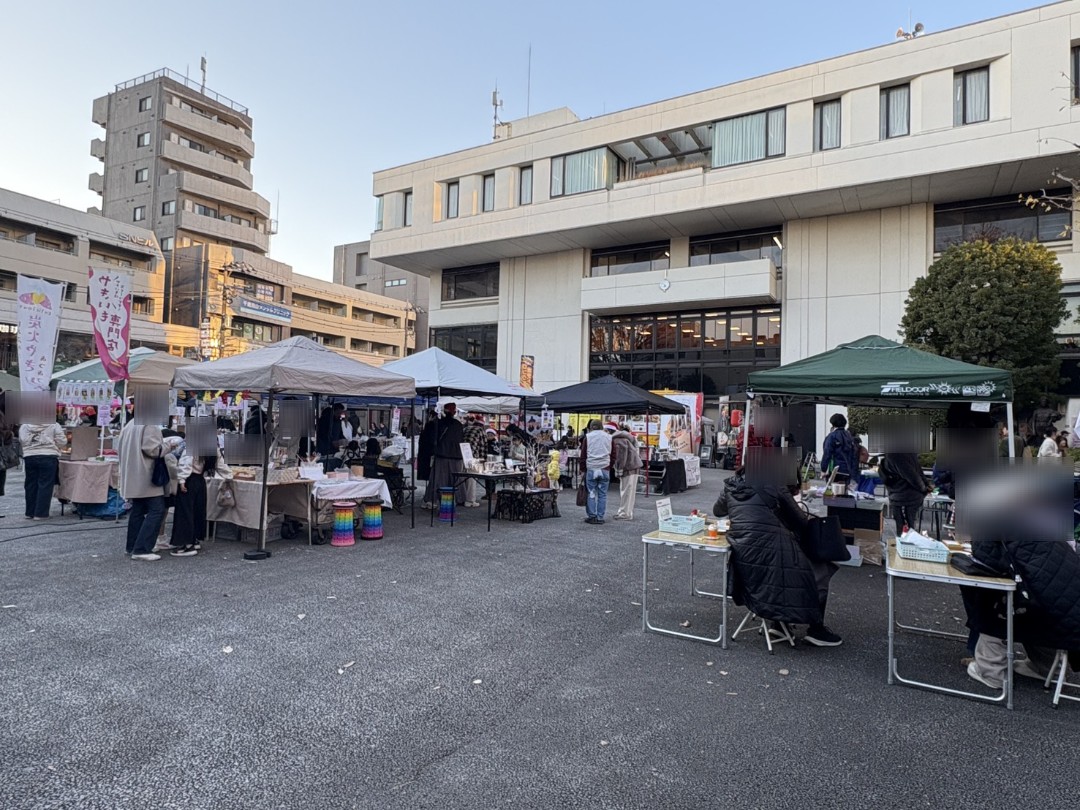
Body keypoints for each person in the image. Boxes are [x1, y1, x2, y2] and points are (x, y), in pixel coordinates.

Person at [713, 465, 842, 647]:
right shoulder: (776, 484)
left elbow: (718, 511)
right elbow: (801, 521)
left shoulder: (731, 486)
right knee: (821, 568)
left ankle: (779, 624)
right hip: (774, 557)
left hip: (745, 560)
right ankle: (816, 628)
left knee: (784, 567)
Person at [117, 418, 168, 561]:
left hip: (132, 473)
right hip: (146, 474)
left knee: (137, 511)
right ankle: (142, 548)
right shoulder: (150, 424)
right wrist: (169, 445)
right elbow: (152, 450)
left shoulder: (131, 423)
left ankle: (132, 546)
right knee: (157, 510)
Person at [170, 441, 232, 557]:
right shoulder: (213, 447)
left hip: (189, 480)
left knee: (184, 512)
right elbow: (220, 465)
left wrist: (182, 480)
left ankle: (185, 545)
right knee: (197, 511)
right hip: (200, 481)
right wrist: (230, 475)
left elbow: (186, 463)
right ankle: (194, 539)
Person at [19, 418, 66, 520]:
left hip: (30, 456)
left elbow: (22, 441)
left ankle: (30, 512)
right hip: (48, 456)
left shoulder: (25, 425)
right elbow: (62, 441)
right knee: (45, 485)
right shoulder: (54, 424)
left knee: (31, 484)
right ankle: (41, 513)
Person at [879, 452, 933, 535]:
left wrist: (924, 488)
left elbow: (913, 476)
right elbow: (918, 472)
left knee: (904, 531)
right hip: (908, 495)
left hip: (903, 496)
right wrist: (925, 487)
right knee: (907, 529)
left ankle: (905, 544)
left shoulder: (895, 455)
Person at [423, 403, 465, 508]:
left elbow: (433, 439)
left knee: (437, 479)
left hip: (441, 454)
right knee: (455, 480)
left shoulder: (438, 423)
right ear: (454, 412)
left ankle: (432, 500)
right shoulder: (458, 425)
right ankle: (457, 499)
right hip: (456, 456)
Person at [580, 419, 613, 525]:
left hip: (591, 468)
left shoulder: (588, 437)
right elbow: (614, 454)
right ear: (601, 427)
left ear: (591, 427)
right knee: (603, 494)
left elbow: (583, 454)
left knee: (591, 492)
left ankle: (592, 516)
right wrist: (609, 466)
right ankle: (600, 517)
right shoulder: (609, 437)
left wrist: (582, 468)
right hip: (604, 468)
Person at [611, 423, 642, 520]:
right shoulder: (630, 438)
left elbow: (621, 457)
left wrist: (619, 470)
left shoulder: (618, 440)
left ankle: (624, 513)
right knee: (630, 492)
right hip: (635, 465)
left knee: (625, 491)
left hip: (627, 467)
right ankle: (628, 513)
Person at [820, 413, 859, 485]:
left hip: (835, 470)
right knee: (844, 491)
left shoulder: (832, 436)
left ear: (833, 424)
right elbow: (854, 455)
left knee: (833, 491)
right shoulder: (849, 437)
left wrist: (823, 469)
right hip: (848, 470)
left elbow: (827, 453)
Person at [461, 416, 487, 507]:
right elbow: (483, 447)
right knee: (472, 479)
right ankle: (470, 501)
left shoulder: (466, 428)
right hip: (473, 457)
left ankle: (461, 498)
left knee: (462, 478)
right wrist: (483, 461)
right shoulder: (481, 431)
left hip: (461, 456)